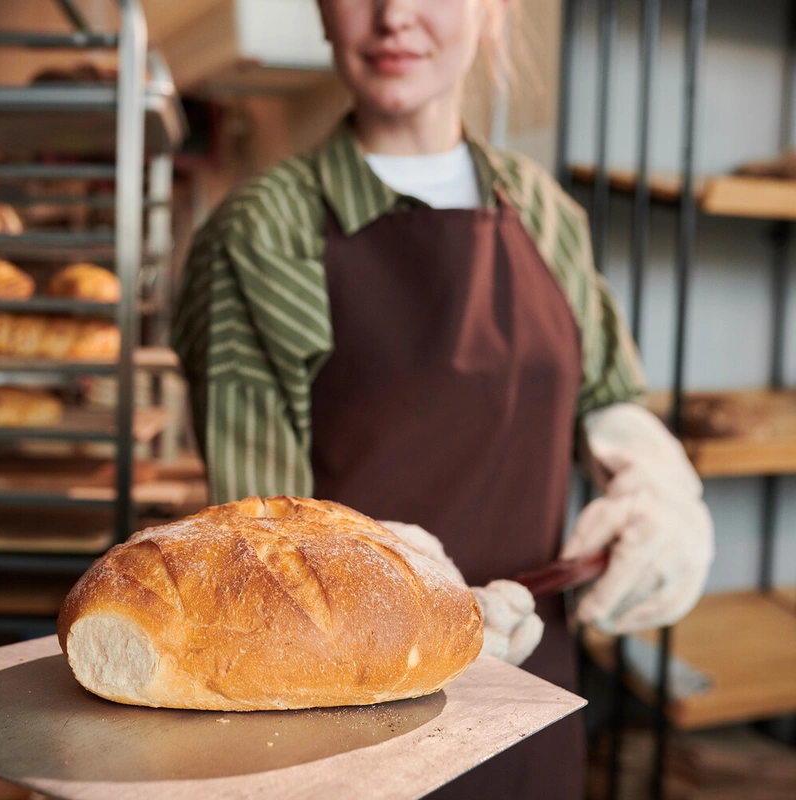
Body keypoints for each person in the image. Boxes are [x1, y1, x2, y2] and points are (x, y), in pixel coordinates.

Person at [172, 1, 714, 798]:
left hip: (538, 696)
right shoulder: (262, 231)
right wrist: (415, 615)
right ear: (324, 13)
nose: (395, 16)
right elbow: (265, 540)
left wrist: (661, 492)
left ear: (494, 13)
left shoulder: (544, 211)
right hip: (350, 717)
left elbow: (610, 399)